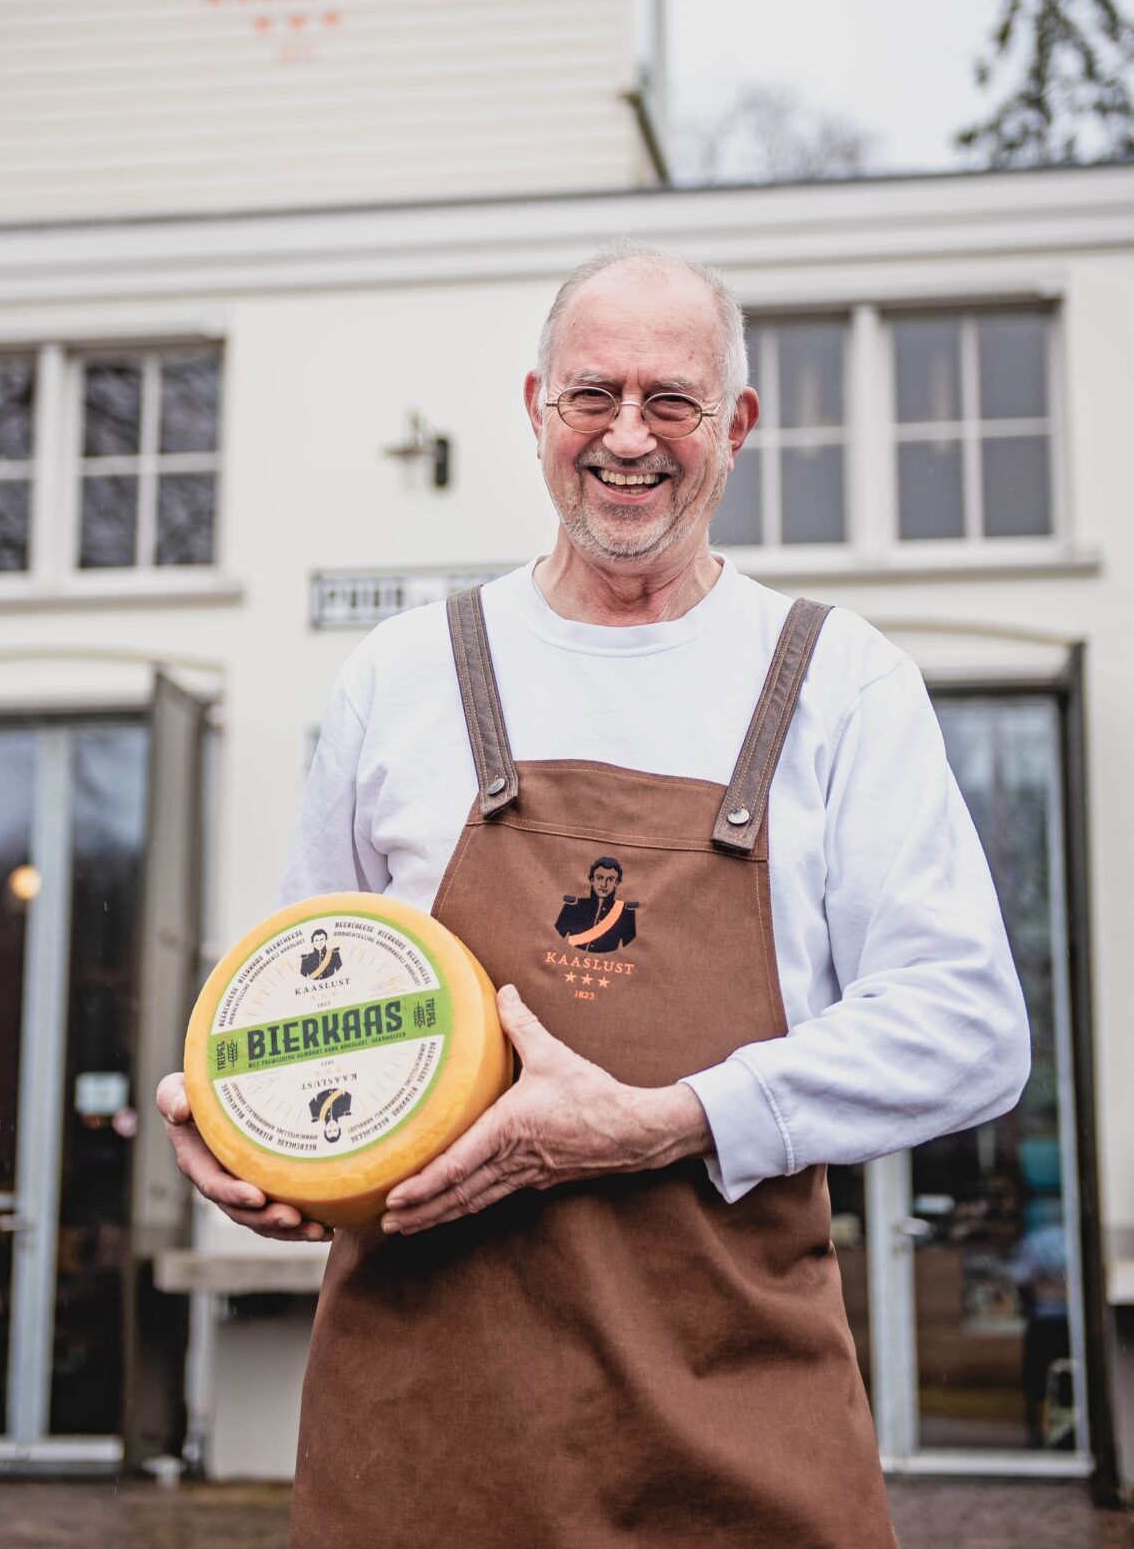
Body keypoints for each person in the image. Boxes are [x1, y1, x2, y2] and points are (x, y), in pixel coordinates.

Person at [158, 242, 1030, 1547]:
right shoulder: (398, 679)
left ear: (732, 427)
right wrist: (245, 1139)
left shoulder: (837, 683)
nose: (628, 438)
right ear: (532, 411)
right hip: (425, 1438)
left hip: (732, 1433)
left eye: (669, 401)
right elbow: (306, 983)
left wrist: (670, 1118)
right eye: (591, 396)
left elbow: (968, 1031)